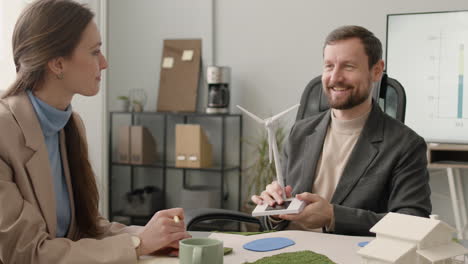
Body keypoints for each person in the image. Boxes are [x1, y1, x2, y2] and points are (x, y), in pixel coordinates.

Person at [0, 0, 190, 263]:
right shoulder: (3, 133)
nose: (104, 63)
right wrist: (138, 244)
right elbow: (28, 254)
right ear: (57, 64)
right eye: (94, 52)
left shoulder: (69, 125)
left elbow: (83, 229)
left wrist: (153, 237)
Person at [251, 25, 432, 236]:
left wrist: (333, 216)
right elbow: (276, 223)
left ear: (376, 70)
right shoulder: (299, 133)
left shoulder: (405, 144)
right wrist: (274, 210)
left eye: (348, 67)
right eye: (329, 66)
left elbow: (413, 222)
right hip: (289, 249)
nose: (335, 78)